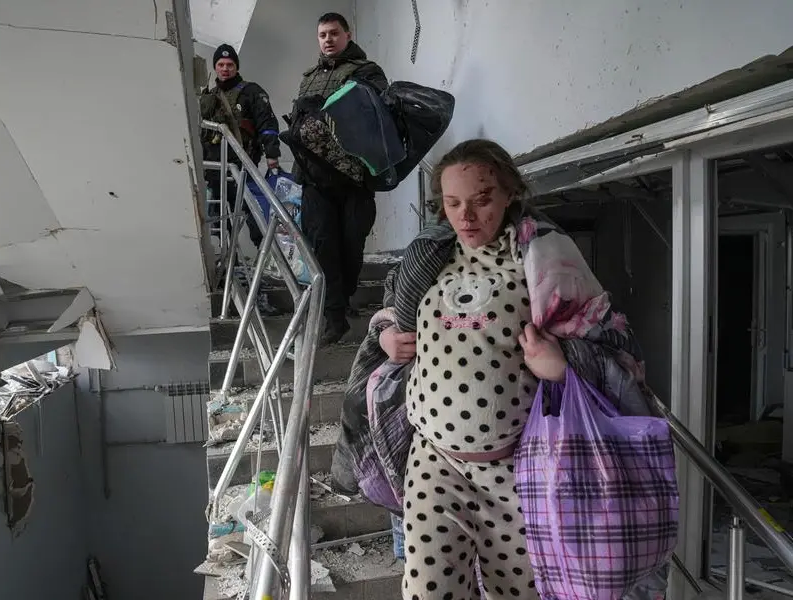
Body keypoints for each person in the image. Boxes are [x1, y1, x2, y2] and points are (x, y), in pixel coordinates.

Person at [333, 139, 669, 600]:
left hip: (518, 470)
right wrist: (388, 334)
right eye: (453, 203)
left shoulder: (546, 256)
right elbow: (392, 312)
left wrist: (562, 366)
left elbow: (610, 343)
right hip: (434, 462)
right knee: (428, 593)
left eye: (482, 199)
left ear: (510, 192)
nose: (466, 216)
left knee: (517, 594)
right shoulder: (427, 256)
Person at [292, 13, 388, 345]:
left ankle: (342, 298)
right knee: (323, 246)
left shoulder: (367, 71)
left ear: (348, 34)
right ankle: (333, 317)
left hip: (354, 176)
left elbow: (374, 113)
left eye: (334, 33)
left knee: (351, 245)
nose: (328, 40)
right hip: (315, 177)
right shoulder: (309, 78)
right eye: (322, 35)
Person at [200, 43, 282, 315]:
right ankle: (228, 276)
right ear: (215, 67)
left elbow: (267, 124)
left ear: (236, 67)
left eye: (230, 65)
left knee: (257, 224)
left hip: (241, 170)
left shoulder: (251, 92)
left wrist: (272, 155)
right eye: (221, 65)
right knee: (217, 229)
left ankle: (268, 274)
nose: (225, 69)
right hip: (213, 172)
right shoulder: (208, 97)